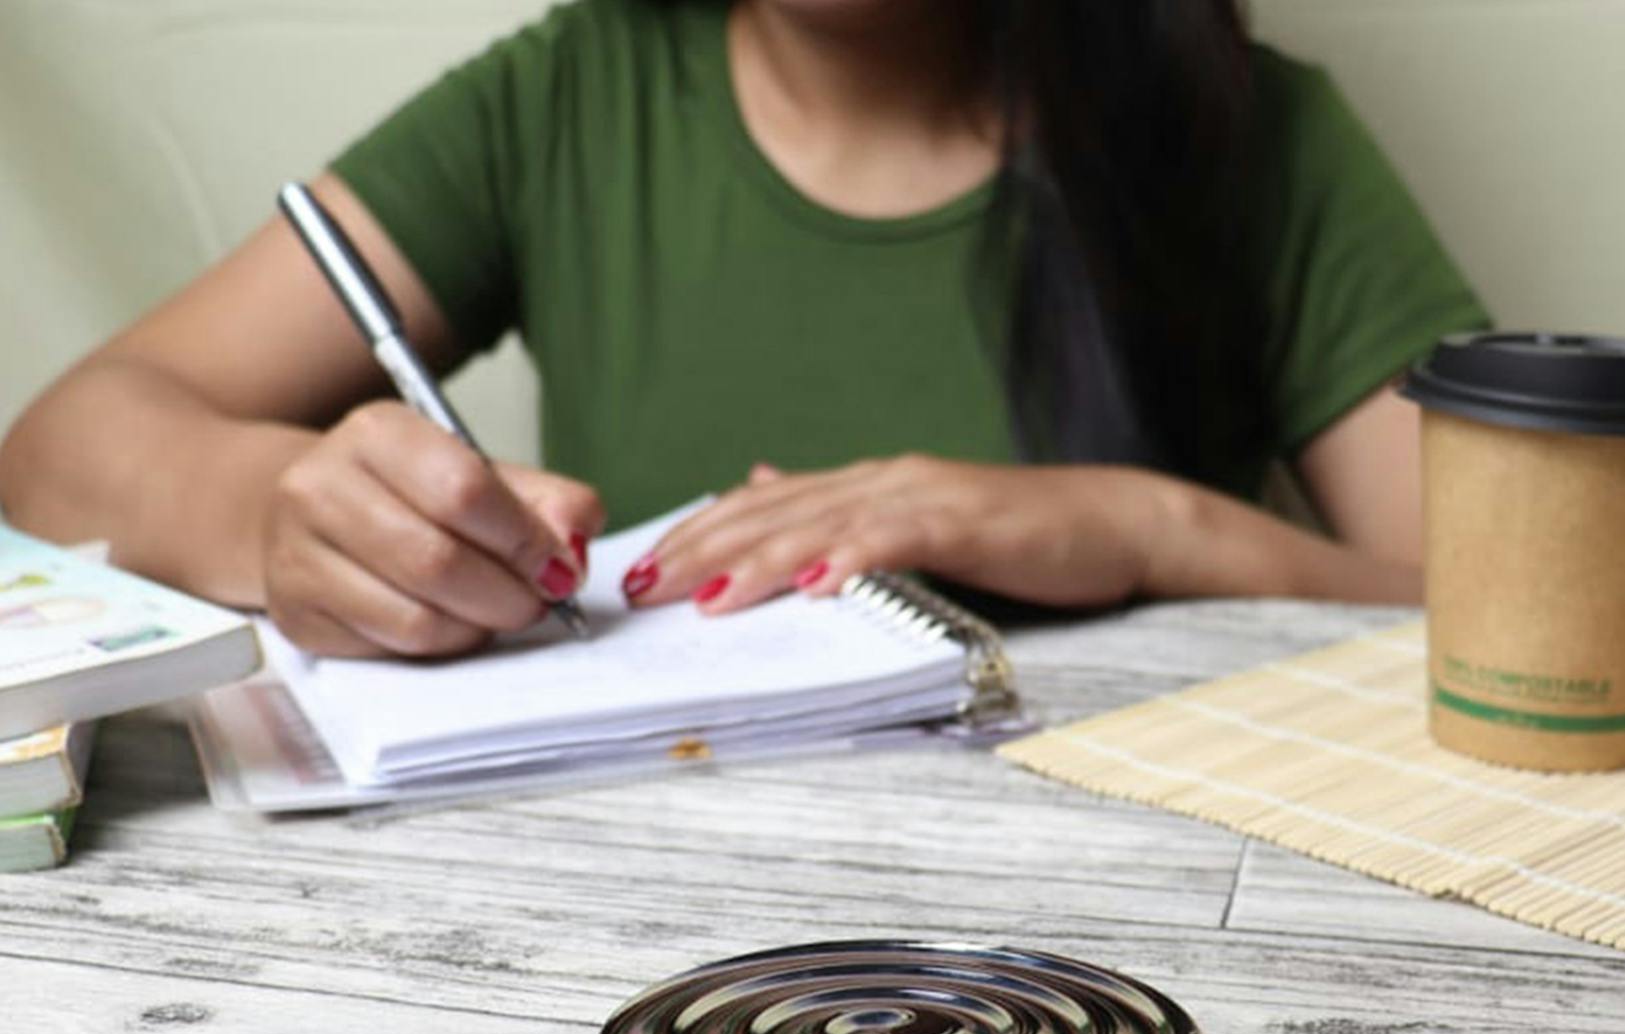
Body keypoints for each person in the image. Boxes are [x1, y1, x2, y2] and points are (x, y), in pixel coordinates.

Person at [0, 0, 1488, 659]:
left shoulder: (1250, 134)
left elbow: (1530, 631)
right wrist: (282, 514)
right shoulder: (567, 94)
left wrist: (1156, 531)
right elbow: (64, 450)